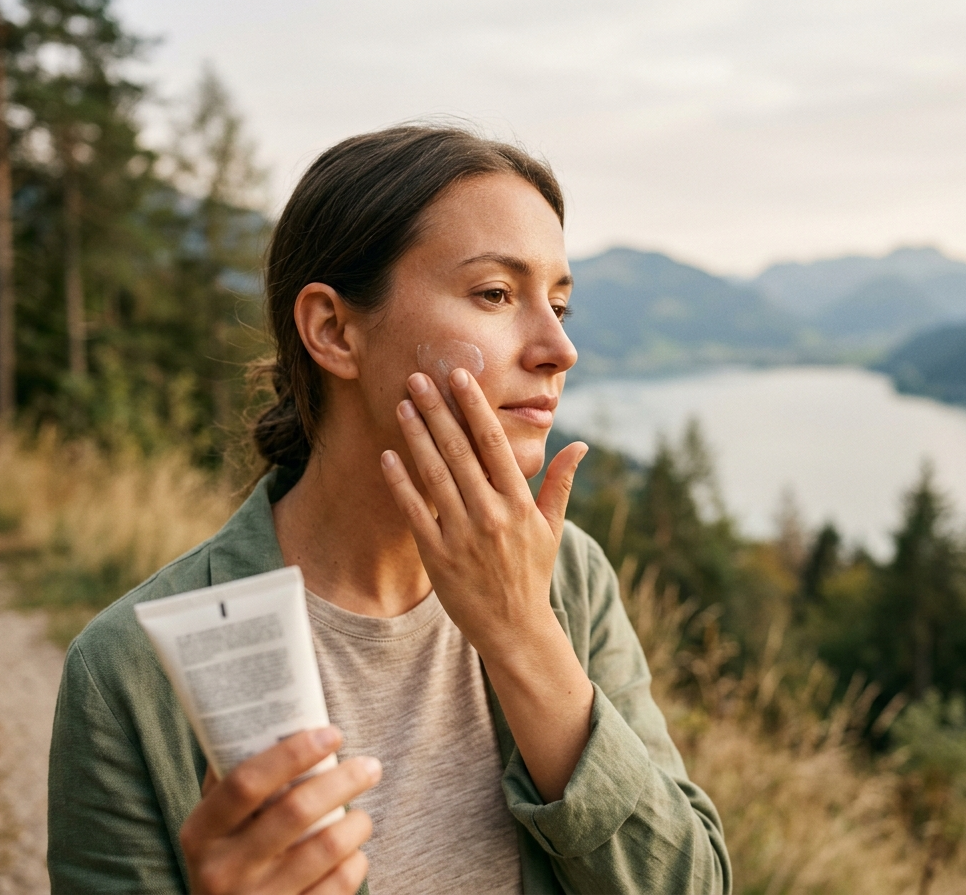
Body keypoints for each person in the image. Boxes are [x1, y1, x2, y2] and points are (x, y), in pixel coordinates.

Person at [48, 125, 730, 895]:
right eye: (497, 295)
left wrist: (524, 636)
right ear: (334, 331)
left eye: (561, 305)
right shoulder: (126, 673)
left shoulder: (566, 575)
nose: (557, 348)